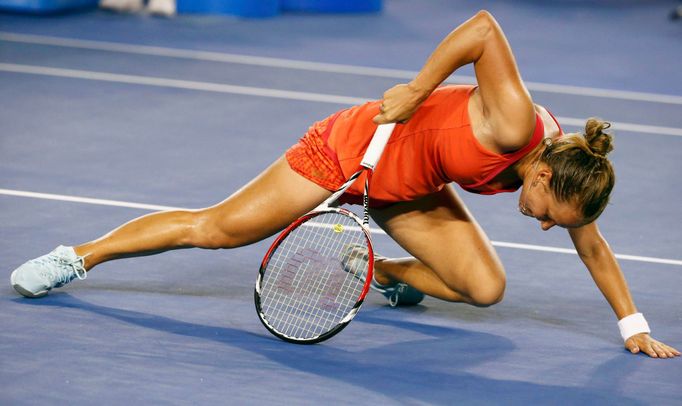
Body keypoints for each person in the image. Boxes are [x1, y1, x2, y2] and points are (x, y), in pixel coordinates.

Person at [10, 11, 679, 358]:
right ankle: (81, 256)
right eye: (544, 213)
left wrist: (633, 325)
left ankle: (377, 269)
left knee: (486, 287)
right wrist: (419, 88)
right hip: (351, 152)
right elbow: (483, 27)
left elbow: (593, 247)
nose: (542, 224)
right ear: (538, 171)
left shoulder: (572, 178)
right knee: (216, 231)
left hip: (409, 190)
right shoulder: (513, 125)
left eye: (551, 224)